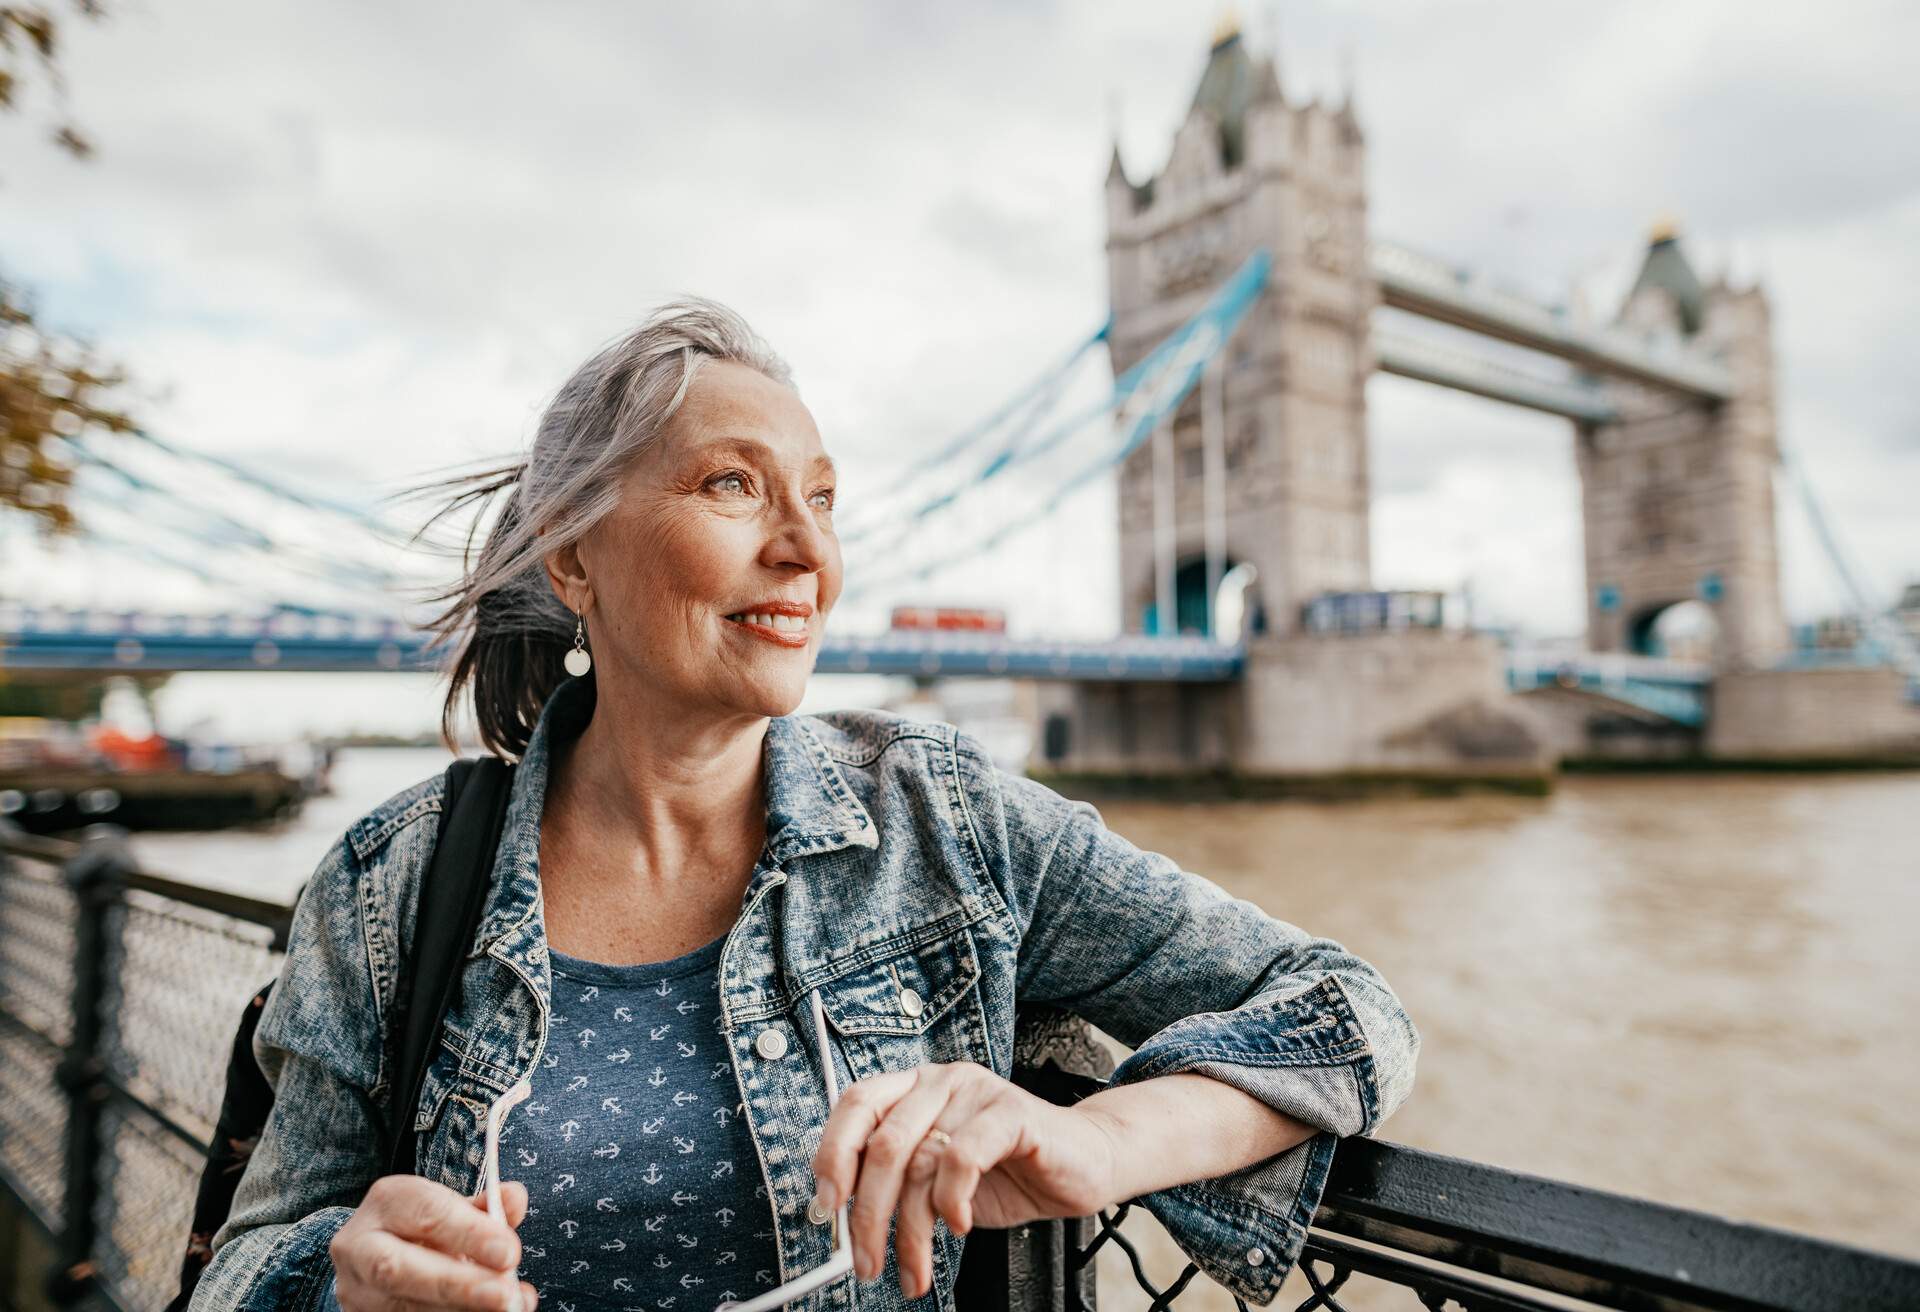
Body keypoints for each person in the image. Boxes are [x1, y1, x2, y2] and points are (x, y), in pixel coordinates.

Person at [190, 298, 1419, 1312]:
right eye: (735, 485)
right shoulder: (386, 885)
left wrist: (1098, 1145)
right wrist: (336, 1284)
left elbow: (1351, 1011)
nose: (807, 551)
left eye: (823, 499)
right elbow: (239, 1269)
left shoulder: (948, 827)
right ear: (573, 559)